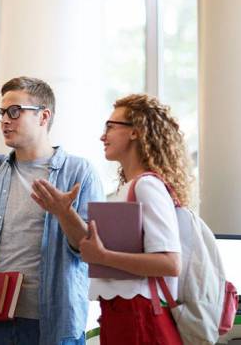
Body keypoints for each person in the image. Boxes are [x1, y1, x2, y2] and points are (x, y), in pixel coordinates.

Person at [0, 76, 104, 345]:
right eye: (1, 113)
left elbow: (91, 250)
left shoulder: (80, 171)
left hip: (52, 324)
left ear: (44, 117)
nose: (5, 121)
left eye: (15, 112)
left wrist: (63, 213)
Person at [38, 93, 188, 344]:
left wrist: (103, 257)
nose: (102, 135)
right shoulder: (129, 188)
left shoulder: (147, 186)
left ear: (135, 131)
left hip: (139, 318)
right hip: (122, 314)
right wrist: (64, 213)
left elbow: (170, 263)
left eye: (110, 126)